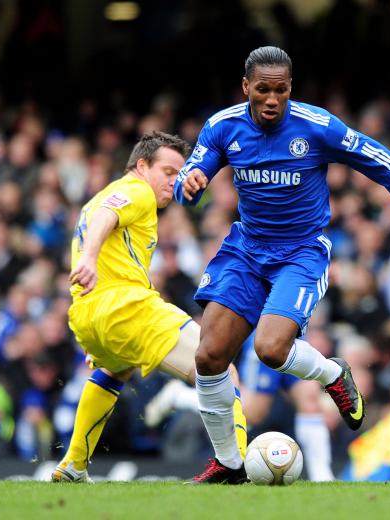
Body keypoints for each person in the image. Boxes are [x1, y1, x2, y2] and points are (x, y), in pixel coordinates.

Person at [175, 46, 390, 483]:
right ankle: (229, 465)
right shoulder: (222, 126)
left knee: (271, 348)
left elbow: (382, 162)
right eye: (263, 90)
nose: (272, 99)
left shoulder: (317, 126)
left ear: (291, 88)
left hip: (301, 252)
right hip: (246, 249)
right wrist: (188, 185)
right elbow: (191, 177)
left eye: (281, 90)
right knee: (209, 356)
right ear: (246, 86)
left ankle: (333, 374)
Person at [52, 132, 247, 483]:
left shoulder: (96, 198)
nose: (175, 182)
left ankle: (74, 464)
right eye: (168, 171)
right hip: (126, 307)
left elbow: (103, 222)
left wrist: (102, 329)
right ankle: (238, 466)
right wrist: (92, 258)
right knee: (221, 369)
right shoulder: (137, 191)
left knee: (115, 371)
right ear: (142, 166)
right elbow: (106, 220)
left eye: (180, 173)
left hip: (88, 313)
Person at [144, 332, 336, 481]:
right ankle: (180, 396)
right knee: (253, 413)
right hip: (266, 335)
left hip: (294, 335)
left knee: (310, 400)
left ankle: (323, 477)